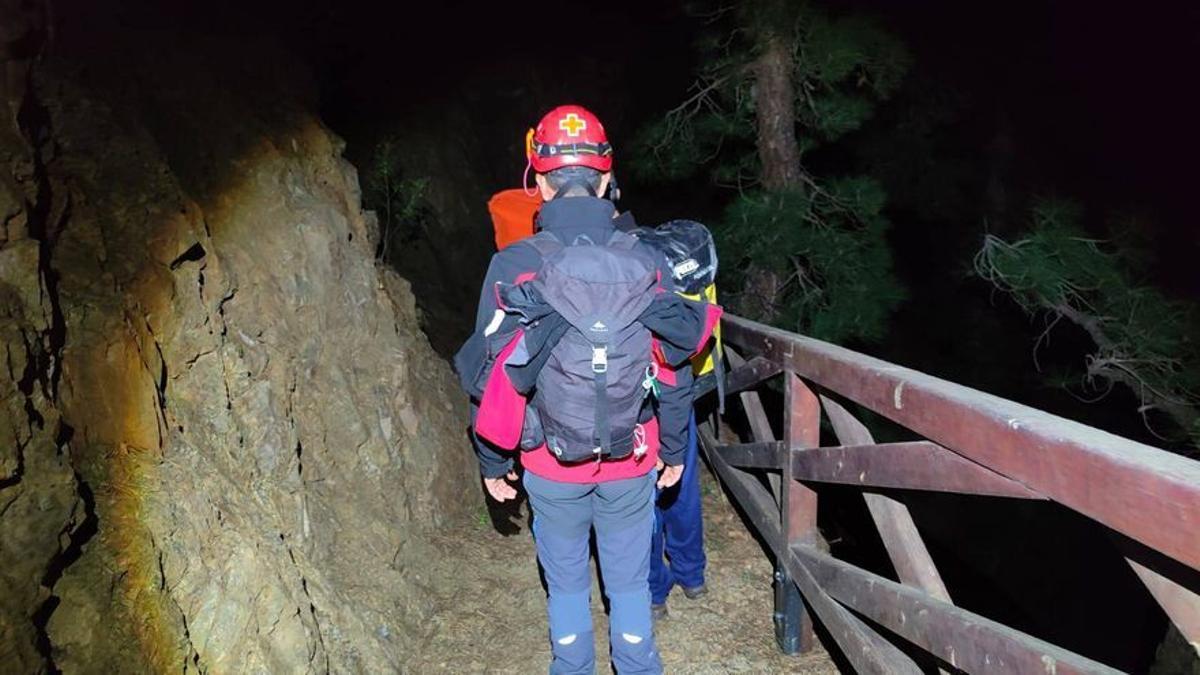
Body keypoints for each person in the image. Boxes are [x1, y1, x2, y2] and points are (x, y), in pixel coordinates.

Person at [455, 104, 720, 674]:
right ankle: (638, 664)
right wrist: (674, 449)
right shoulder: (647, 260)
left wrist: (492, 459)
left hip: (549, 463)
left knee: (568, 585)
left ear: (541, 184)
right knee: (627, 586)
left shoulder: (515, 263)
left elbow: (487, 373)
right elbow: (674, 363)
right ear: (606, 178)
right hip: (632, 456)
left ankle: (571, 666)